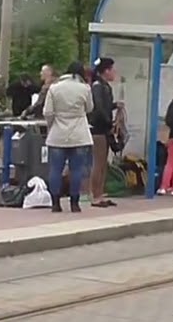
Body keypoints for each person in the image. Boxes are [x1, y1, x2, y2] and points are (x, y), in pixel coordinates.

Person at [43, 62, 93, 213]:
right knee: (76, 170)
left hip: (57, 134)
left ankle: (55, 203)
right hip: (79, 134)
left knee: (55, 169)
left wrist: (52, 125)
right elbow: (90, 108)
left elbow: (48, 112)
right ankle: (74, 203)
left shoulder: (54, 88)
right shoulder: (84, 88)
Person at [86, 57, 118, 208]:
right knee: (98, 163)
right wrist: (109, 122)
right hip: (98, 129)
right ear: (106, 71)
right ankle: (95, 195)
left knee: (103, 163)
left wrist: (114, 106)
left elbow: (104, 106)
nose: (114, 72)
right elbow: (98, 108)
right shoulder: (98, 86)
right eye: (112, 69)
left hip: (103, 129)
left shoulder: (103, 85)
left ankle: (100, 193)